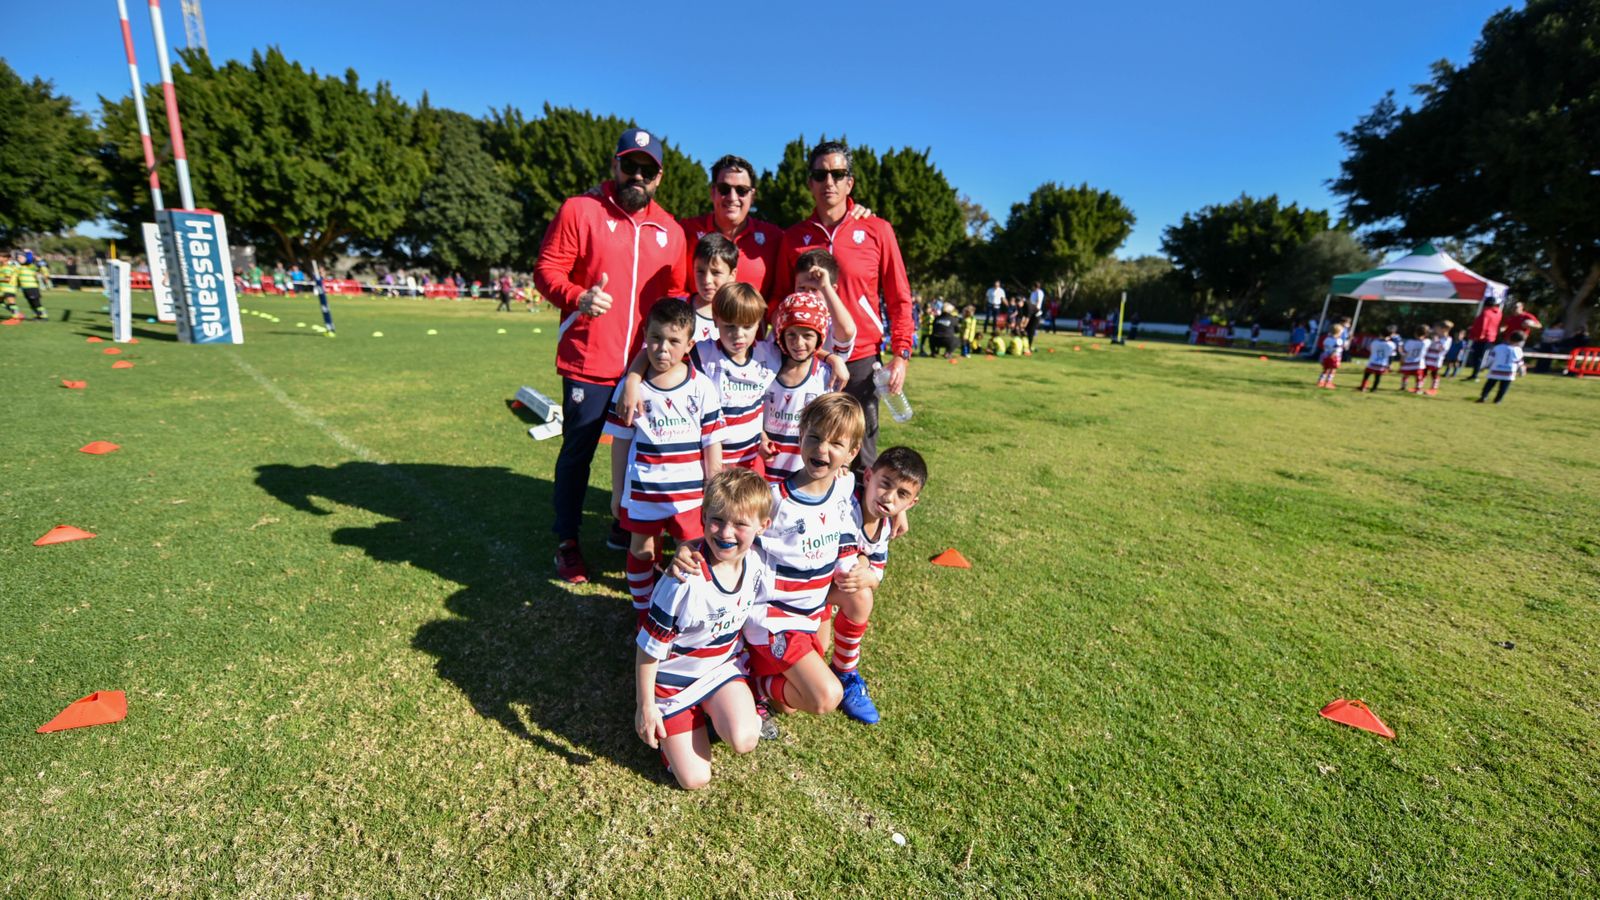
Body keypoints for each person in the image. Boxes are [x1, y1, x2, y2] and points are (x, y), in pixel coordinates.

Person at [535, 127, 689, 584]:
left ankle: (630, 529)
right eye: (630, 165)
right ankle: (566, 540)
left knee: (648, 452)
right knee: (578, 452)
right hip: (590, 360)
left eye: (648, 170)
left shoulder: (672, 231)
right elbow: (547, 269)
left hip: (646, 366)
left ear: (659, 178)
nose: (637, 176)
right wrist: (577, 297)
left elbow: (677, 295)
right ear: (614, 165)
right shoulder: (579, 210)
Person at [771, 140, 914, 471]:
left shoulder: (877, 229)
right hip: (809, 357)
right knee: (804, 447)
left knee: (859, 452)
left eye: (838, 174)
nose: (829, 183)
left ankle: (863, 523)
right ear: (810, 183)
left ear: (850, 182)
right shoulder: (793, 238)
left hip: (861, 359)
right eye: (820, 175)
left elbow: (899, 296)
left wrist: (901, 353)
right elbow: (778, 300)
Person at [634, 468, 770, 789]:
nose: (726, 532)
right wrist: (646, 707)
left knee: (745, 738)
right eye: (717, 520)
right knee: (695, 779)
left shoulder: (756, 563)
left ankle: (709, 715)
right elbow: (647, 648)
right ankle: (677, 737)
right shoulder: (682, 581)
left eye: (740, 523)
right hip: (673, 684)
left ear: (763, 527)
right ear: (703, 516)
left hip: (721, 669)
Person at [605, 298, 725, 623]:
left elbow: (712, 445)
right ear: (645, 335)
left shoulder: (702, 387)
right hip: (644, 493)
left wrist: (713, 492)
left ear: (689, 344)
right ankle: (644, 612)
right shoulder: (632, 389)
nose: (662, 349)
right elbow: (620, 444)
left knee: (692, 553)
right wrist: (618, 492)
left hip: (688, 497)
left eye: (673, 341)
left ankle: (687, 613)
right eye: (656, 338)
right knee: (641, 551)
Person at [827, 445, 926, 724]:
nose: (889, 497)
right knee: (860, 593)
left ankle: (845, 673)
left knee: (862, 594)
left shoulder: (883, 525)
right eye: (885, 484)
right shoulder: (848, 506)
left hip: (827, 592)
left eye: (902, 495)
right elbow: (846, 571)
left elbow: (878, 570)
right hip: (804, 591)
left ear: (910, 504)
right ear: (868, 476)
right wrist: (865, 568)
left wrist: (869, 572)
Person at [760, 258, 859, 484]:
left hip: (804, 473)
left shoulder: (826, 374)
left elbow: (846, 332)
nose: (799, 343)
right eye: (792, 335)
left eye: (807, 336)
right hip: (766, 470)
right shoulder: (767, 362)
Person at [677, 155, 784, 302]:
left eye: (741, 190)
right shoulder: (684, 232)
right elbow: (674, 290)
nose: (732, 197)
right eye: (724, 189)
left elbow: (781, 294)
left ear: (752, 196)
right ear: (713, 192)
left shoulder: (775, 238)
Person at [688, 234, 739, 345]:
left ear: (732, 274)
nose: (707, 280)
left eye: (716, 272)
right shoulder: (676, 309)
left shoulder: (740, 315)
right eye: (700, 271)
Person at [1478, 331, 1528, 404]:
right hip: (1509, 372)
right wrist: (1522, 371)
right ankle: (1498, 400)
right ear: (1520, 342)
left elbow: (1491, 358)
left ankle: (1483, 397)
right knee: (1503, 388)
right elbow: (1520, 363)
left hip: (1496, 370)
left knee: (1489, 384)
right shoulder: (1518, 350)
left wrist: (1484, 366)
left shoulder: (1498, 347)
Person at [1462, 297, 1503, 381]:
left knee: (1477, 357)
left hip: (1482, 338)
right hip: (1491, 337)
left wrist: (1478, 335)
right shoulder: (1498, 313)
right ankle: (1475, 374)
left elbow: (1483, 326)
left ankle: (1475, 375)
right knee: (1482, 356)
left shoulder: (1486, 313)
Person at [1358, 328, 1397, 392]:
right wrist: (1389, 364)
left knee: (1367, 375)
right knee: (1378, 377)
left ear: (1380, 334)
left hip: (1372, 361)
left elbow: (1371, 350)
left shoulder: (1375, 342)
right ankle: (1374, 388)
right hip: (1382, 363)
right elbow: (1391, 355)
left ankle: (1363, 387)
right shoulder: (1391, 344)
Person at [1423, 320, 1454, 394]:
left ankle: (1433, 389)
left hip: (1436, 360)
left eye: (1437, 329)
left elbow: (1442, 348)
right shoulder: (1434, 337)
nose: (1435, 330)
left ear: (1443, 329)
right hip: (1428, 358)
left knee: (1434, 374)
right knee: (1423, 373)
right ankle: (1419, 387)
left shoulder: (1447, 339)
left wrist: (1436, 341)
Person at [1397, 324, 1430, 393]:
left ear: (1415, 333)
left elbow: (1405, 352)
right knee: (1419, 377)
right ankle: (1418, 388)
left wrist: (1401, 353)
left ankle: (1403, 387)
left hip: (1408, 361)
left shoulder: (1410, 342)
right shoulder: (1427, 342)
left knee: (1405, 375)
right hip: (1419, 363)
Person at [1316, 323, 1346, 389]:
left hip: (1325, 355)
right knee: (1332, 370)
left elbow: (1324, 346)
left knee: (1325, 369)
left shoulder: (1327, 339)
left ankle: (1320, 381)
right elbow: (1336, 349)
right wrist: (1333, 355)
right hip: (1334, 357)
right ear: (1338, 332)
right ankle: (1328, 382)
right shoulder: (1339, 340)